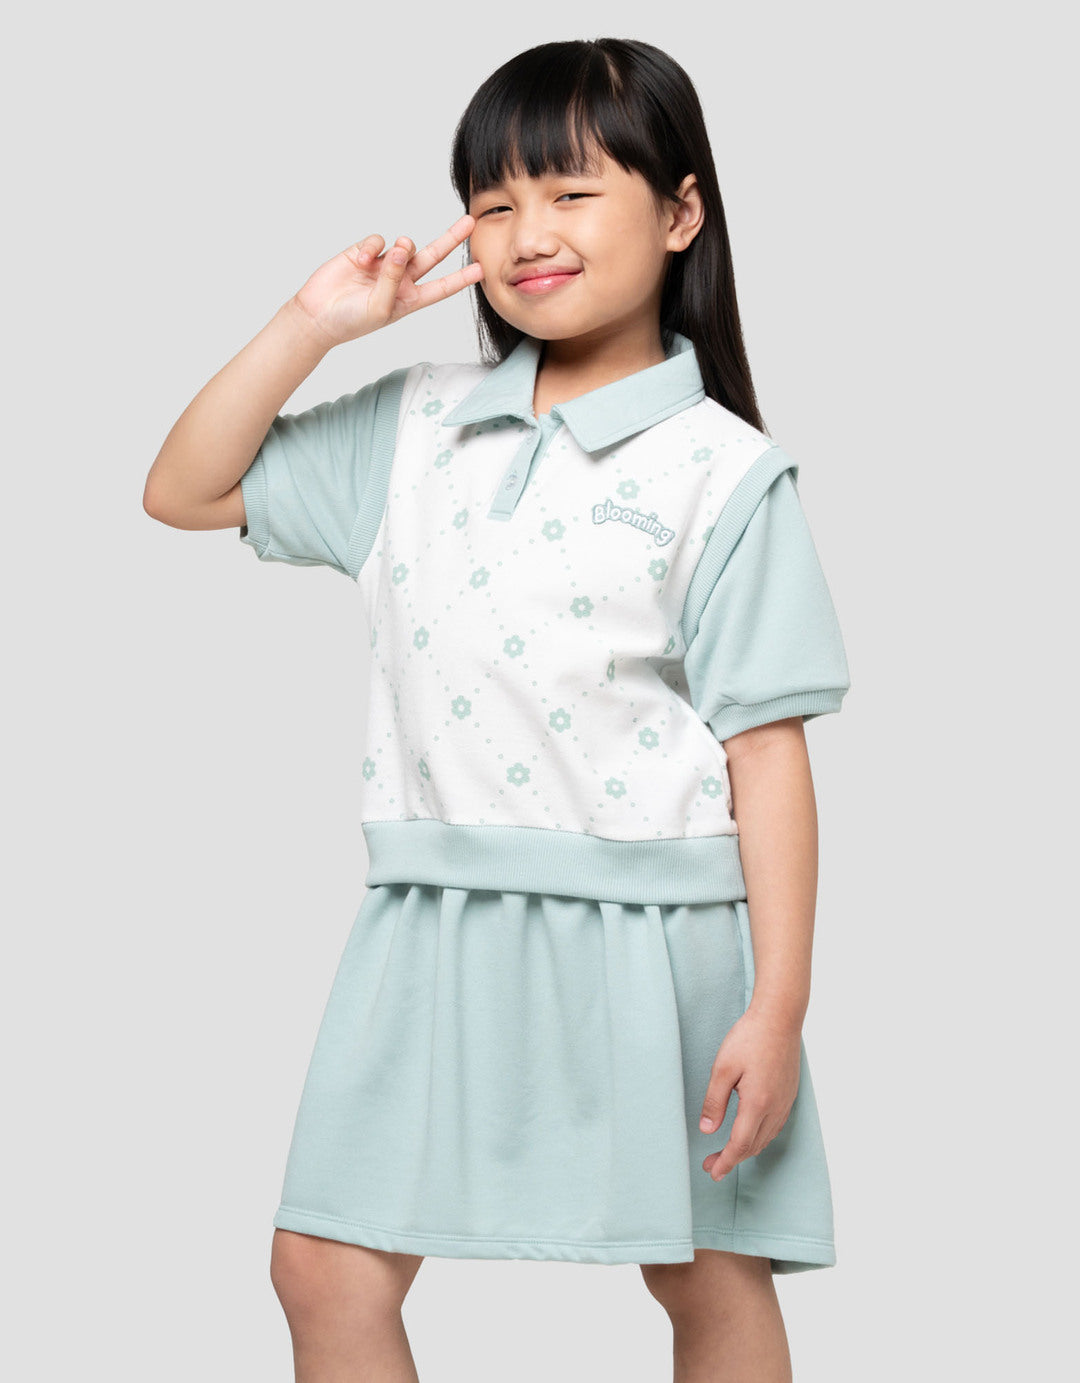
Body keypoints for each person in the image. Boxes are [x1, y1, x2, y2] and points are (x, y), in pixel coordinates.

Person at [145, 36, 851, 1383]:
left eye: (573, 192)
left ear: (681, 214)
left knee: (707, 1273)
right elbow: (182, 489)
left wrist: (778, 1007)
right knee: (324, 1266)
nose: (528, 233)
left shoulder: (724, 473)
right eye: (493, 202)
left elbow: (768, 758)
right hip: (428, 921)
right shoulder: (415, 426)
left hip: (656, 941)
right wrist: (313, 325)